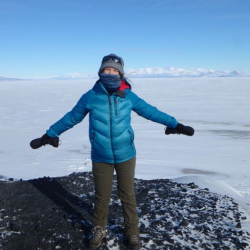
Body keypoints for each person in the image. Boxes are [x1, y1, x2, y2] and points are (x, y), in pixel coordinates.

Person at [30, 54, 194, 250]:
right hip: (101, 155)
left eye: (115, 70)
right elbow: (71, 118)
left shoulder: (129, 97)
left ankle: (132, 234)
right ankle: (99, 229)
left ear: (121, 74)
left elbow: (151, 111)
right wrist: (49, 134)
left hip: (126, 154)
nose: (110, 73)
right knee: (101, 196)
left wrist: (175, 125)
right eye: (107, 69)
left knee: (127, 194)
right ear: (100, 72)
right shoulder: (90, 97)